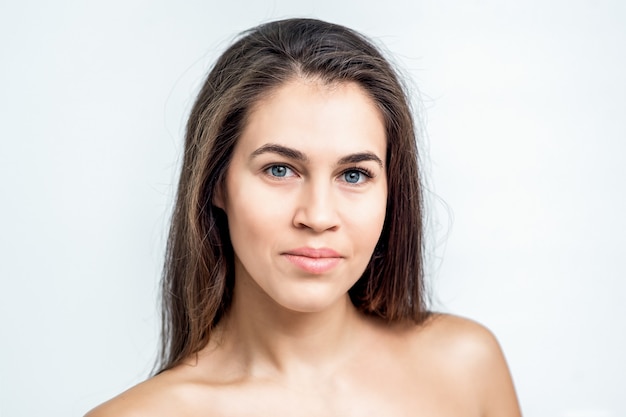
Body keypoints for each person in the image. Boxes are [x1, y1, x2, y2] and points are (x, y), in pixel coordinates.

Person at [87, 18, 521, 416]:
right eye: (280, 169)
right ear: (216, 184)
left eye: (354, 174)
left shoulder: (467, 367)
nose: (318, 216)